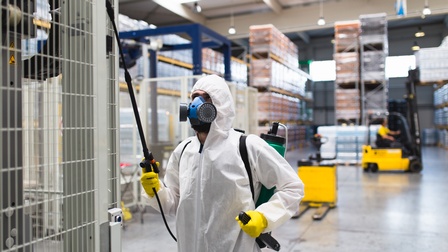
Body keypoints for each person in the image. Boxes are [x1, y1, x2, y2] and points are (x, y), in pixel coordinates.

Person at [140, 74, 304, 252]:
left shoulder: (247, 146)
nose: (197, 104)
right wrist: (155, 191)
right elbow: (173, 204)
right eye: (194, 98)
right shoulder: (183, 151)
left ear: (222, 105)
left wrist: (264, 217)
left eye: (206, 98)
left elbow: (293, 187)